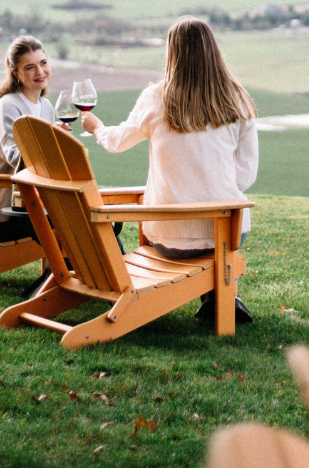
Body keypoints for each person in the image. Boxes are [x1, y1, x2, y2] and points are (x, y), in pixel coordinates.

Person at [81, 17, 259, 323]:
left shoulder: (156, 97)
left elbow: (118, 142)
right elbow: (245, 175)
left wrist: (96, 127)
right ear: (213, 50)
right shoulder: (238, 98)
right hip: (227, 231)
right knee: (214, 243)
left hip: (169, 238)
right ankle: (224, 297)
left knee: (190, 240)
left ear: (172, 53)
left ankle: (217, 298)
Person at [0, 35, 56, 249]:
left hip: (36, 206)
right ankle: (73, 276)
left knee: (90, 217)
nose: (40, 72)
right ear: (16, 74)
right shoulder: (9, 105)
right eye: (30, 67)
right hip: (4, 216)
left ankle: (115, 276)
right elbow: (15, 158)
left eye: (43, 63)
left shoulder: (46, 106)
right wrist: (49, 140)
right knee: (76, 224)